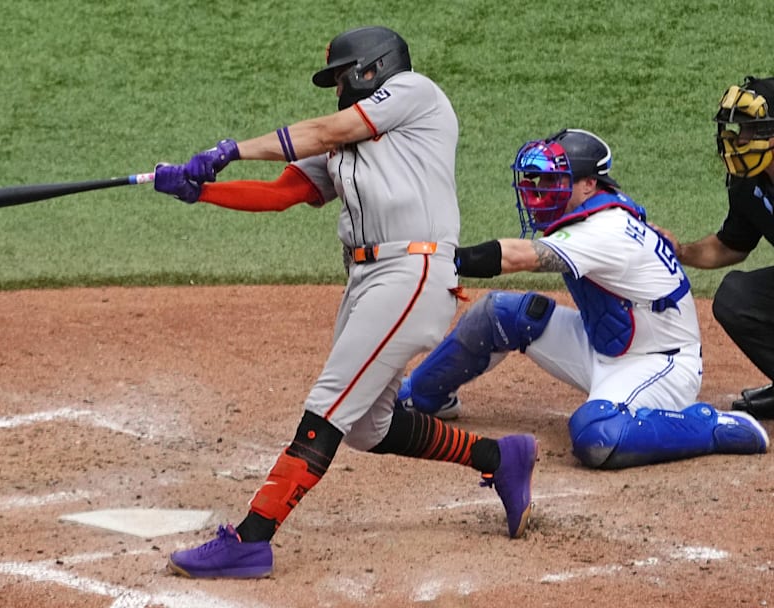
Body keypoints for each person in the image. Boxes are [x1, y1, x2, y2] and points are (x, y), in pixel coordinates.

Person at [152, 25, 536, 580]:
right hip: (367, 280)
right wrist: (199, 190)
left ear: (370, 69)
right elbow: (283, 192)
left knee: (329, 405)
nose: (336, 91)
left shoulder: (415, 94)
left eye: (339, 79)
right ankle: (502, 458)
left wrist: (228, 151)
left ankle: (251, 539)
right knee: (367, 427)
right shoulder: (342, 148)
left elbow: (330, 127)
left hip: (412, 269)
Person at [395, 128, 770, 470]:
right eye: (539, 179)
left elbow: (518, 257)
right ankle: (422, 397)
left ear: (589, 184)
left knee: (597, 436)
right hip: (603, 346)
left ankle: (710, 427)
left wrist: (446, 258)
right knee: (498, 314)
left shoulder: (605, 229)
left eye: (555, 180)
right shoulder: (589, 213)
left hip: (660, 364)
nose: (540, 190)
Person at [654, 76, 774, 420]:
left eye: (753, 129)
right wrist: (680, 251)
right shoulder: (749, 181)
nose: (739, 139)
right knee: (737, 298)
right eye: (739, 128)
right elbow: (731, 245)